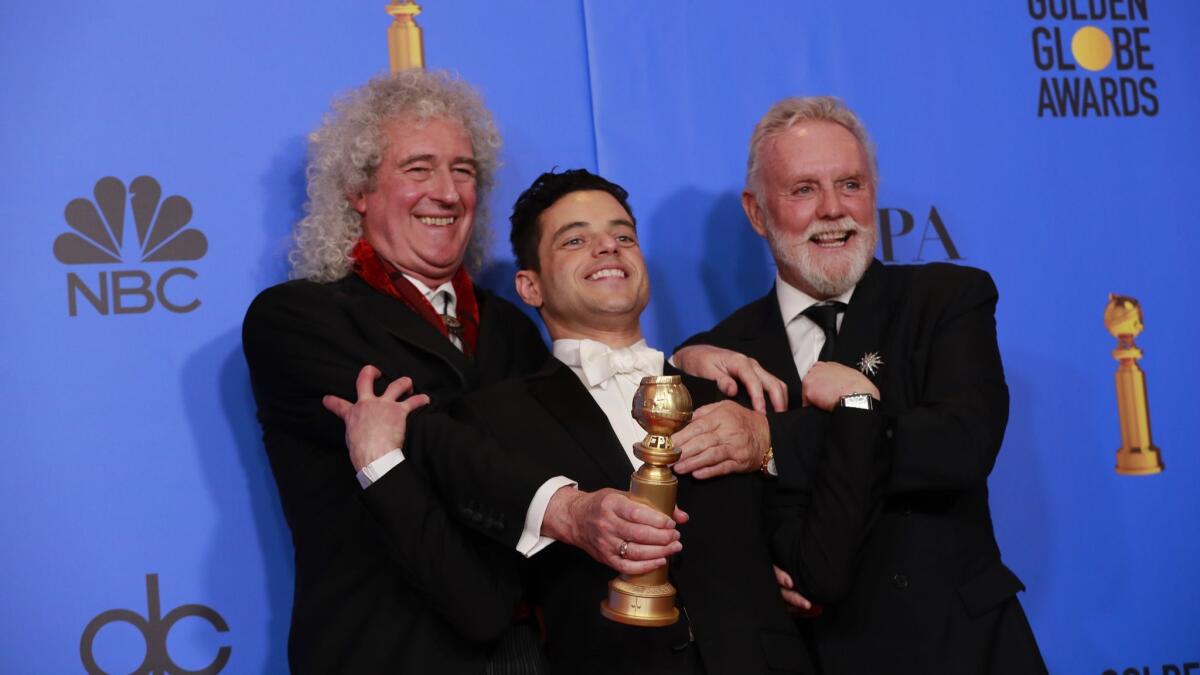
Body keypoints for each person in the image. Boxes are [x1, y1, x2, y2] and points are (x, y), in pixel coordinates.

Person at [244, 71, 776, 674]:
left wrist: (682, 365)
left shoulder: (511, 327)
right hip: (390, 651)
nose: (446, 192)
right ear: (358, 189)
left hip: (532, 647)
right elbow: (431, 439)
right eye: (418, 169)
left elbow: (590, 402)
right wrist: (567, 510)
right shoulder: (299, 318)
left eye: (463, 171)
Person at [333, 168, 889, 674]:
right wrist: (381, 467)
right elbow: (478, 605)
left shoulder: (731, 394)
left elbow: (821, 573)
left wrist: (858, 410)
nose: (608, 247)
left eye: (624, 235)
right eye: (575, 239)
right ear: (530, 287)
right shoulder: (492, 418)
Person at [672, 96, 1048, 674]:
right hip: (811, 658)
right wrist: (750, 577)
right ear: (756, 211)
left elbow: (959, 446)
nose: (833, 210)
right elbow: (713, 520)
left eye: (850, 184)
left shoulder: (945, 300)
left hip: (959, 650)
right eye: (803, 190)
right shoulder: (722, 352)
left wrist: (767, 442)